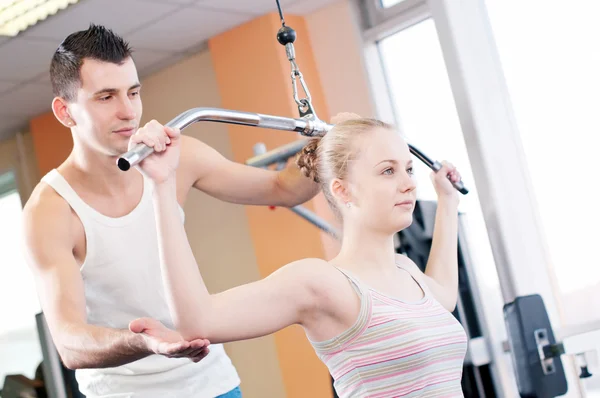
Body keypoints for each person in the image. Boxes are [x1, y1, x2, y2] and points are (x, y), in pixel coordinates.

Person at [22, 24, 320, 398]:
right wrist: (146, 343)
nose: (128, 111)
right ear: (65, 112)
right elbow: (69, 342)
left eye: (133, 92)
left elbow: (286, 188)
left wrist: (333, 147)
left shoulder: (179, 157)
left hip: (214, 385)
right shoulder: (50, 210)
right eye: (106, 97)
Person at [129, 112, 469, 397]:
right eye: (387, 171)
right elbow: (199, 322)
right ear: (342, 190)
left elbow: (444, 297)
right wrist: (163, 186)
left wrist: (448, 202)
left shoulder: (407, 270)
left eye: (409, 169)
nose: (409, 183)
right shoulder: (324, 283)